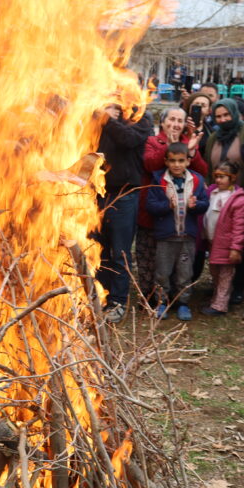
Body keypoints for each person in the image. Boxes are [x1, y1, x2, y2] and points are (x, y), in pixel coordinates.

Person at [97, 104, 153, 323]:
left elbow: (127, 139)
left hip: (125, 195)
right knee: (98, 249)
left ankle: (118, 301)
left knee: (120, 252)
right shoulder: (99, 116)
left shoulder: (141, 118)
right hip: (97, 193)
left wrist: (107, 120)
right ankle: (100, 297)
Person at [145, 142, 209, 321]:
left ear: (188, 161)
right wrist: (167, 205)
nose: (177, 165)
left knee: (185, 272)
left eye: (181, 161)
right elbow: (150, 205)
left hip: (187, 237)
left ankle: (183, 302)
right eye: (172, 161)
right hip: (166, 237)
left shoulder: (196, 180)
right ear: (166, 161)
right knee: (162, 272)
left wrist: (196, 205)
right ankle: (161, 302)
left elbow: (205, 203)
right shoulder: (159, 180)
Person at [203, 161, 244, 316]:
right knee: (214, 271)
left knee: (225, 275)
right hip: (212, 241)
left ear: (233, 178)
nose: (218, 180)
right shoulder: (212, 193)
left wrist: (236, 248)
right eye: (216, 176)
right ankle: (217, 297)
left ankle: (220, 305)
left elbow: (240, 226)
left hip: (227, 244)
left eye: (222, 177)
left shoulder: (238, 200)